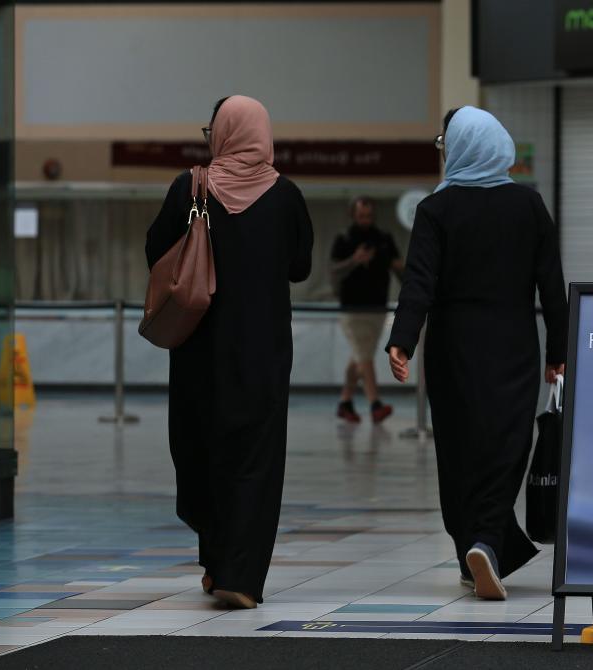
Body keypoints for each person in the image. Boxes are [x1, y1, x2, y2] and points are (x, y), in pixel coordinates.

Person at [386, 107, 568, 600]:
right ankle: (484, 543)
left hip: (451, 348)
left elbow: (418, 282)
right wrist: (559, 349)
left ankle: (475, 544)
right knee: (507, 447)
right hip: (511, 344)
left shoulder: (435, 210)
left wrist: (402, 339)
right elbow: (552, 284)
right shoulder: (528, 206)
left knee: (458, 450)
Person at [145, 95, 313, 609]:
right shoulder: (286, 196)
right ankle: (238, 573)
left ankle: (218, 562)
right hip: (261, 351)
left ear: (220, 134)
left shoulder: (188, 187)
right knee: (255, 458)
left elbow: (156, 251)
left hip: (199, 349)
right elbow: (301, 266)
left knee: (203, 449)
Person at [330, 196, 404, 423]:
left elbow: (399, 269)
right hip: (352, 308)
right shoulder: (343, 239)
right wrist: (354, 260)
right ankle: (375, 404)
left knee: (361, 356)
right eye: (361, 216)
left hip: (377, 307)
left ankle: (345, 401)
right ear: (353, 215)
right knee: (364, 356)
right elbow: (333, 270)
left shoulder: (383, 239)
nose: (365, 220)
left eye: (369, 216)